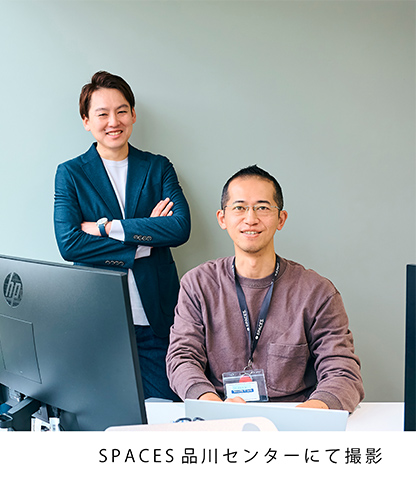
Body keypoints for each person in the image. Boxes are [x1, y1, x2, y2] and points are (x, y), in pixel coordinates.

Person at [166, 165, 364, 412]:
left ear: (281, 219)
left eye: (262, 208)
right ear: (222, 218)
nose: (251, 219)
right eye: (239, 208)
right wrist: (212, 406)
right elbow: (182, 358)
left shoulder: (317, 292)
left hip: (296, 417)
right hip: (220, 412)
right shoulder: (198, 284)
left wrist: (312, 412)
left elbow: (342, 370)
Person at [54, 71, 191, 401]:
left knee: (165, 413)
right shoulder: (71, 173)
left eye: (121, 111)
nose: (113, 122)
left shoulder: (158, 167)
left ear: (133, 114)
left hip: (156, 322)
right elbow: (69, 244)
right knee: (102, 415)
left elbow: (179, 227)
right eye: (102, 114)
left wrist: (106, 228)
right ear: (87, 121)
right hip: (98, 322)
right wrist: (145, 242)